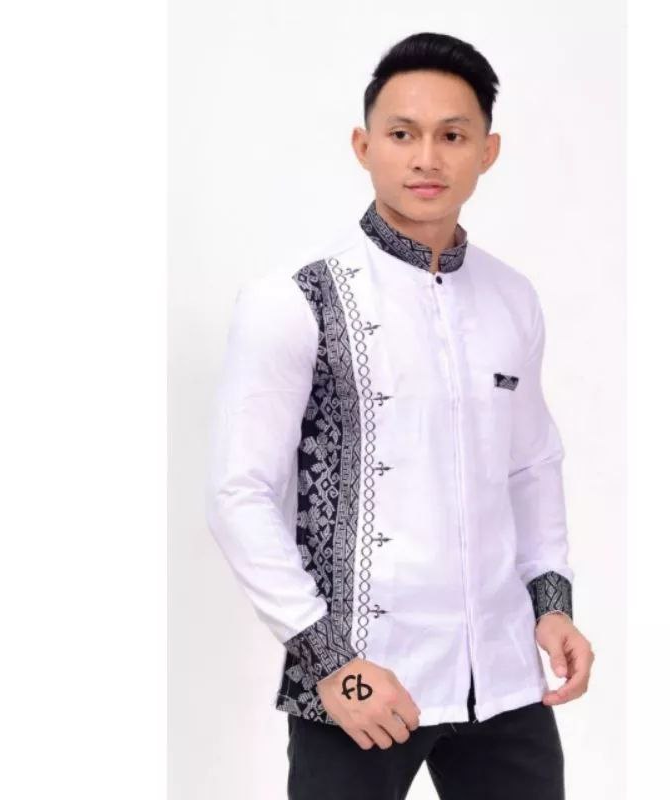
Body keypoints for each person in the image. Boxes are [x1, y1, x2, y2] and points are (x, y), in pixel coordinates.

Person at [205, 30, 595, 800]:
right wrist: (333, 668)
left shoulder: (512, 297)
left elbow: (531, 464)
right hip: (360, 682)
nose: (427, 159)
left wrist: (551, 604)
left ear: (487, 151)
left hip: (504, 681)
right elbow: (237, 495)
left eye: (452, 136)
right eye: (402, 134)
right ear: (364, 146)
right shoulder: (295, 300)